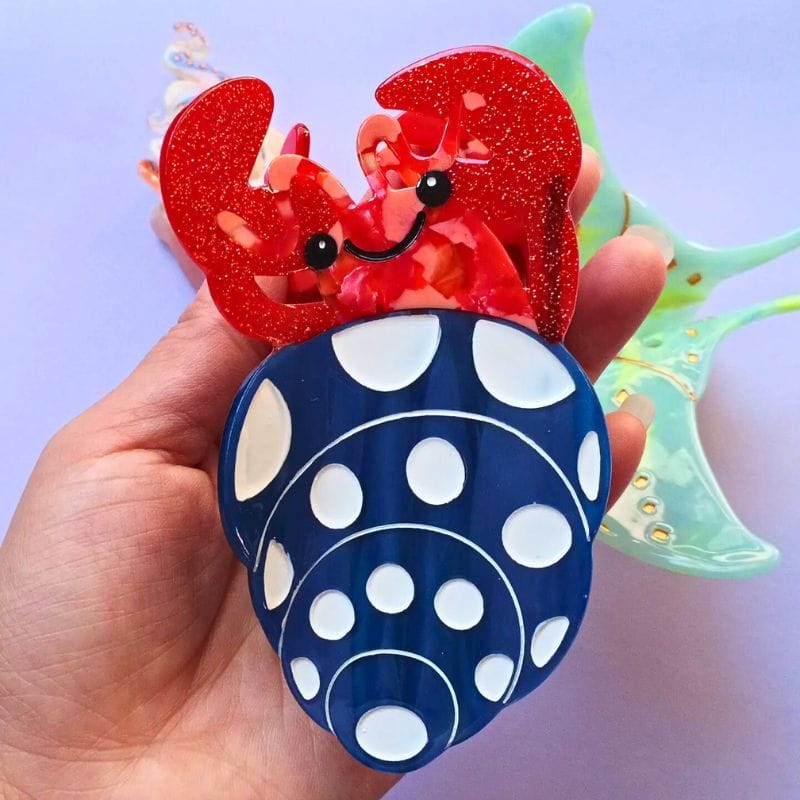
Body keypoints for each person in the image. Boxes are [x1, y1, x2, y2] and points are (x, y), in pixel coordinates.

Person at [0, 148, 667, 799]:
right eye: (321, 250)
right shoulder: (498, 362)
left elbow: (252, 513)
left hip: (346, 631)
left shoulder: (293, 380)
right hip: (446, 618)